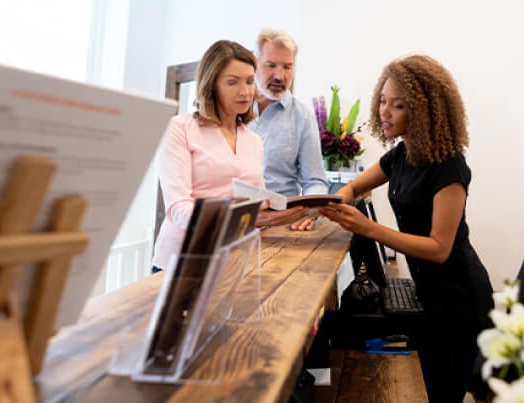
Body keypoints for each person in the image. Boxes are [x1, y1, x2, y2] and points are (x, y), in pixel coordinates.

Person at [319, 55, 494, 402]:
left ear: (425, 111)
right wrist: (340, 200)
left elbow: (438, 248)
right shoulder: (400, 156)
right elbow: (353, 187)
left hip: (460, 300)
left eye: (397, 105)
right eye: (382, 101)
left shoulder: (449, 166)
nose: (385, 112)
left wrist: (369, 228)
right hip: (429, 293)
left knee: (443, 393)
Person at [152, 40, 309, 272]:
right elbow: (178, 209)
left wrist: (283, 212)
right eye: (232, 82)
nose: (245, 91)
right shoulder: (180, 128)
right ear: (211, 84)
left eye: (249, 81)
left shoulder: (253, 140)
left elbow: (257, 202)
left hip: (234, 263)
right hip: (183, 263)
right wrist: (247, 218)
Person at [248, 29, 329, 231]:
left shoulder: (302, 116)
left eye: (287, 67)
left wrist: (311, 211)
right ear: (254, 63)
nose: (280, 75)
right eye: (271, 65)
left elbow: (315, 180)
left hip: (283, 228)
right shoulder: (233, 108)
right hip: (236, 226)